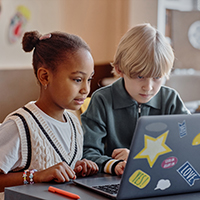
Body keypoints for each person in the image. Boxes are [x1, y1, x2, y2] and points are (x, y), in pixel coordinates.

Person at [81, 23, 190, 177]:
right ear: (120, 70)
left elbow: (188, 148)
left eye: (157, 77)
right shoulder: (102, 100)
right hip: (112, 181)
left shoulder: (170, 100)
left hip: (161, 179)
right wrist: (115, 165)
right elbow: (87, 152)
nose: (148, 87)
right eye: (140, 76)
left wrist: (136, 158)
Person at [0, 30, 98, 196]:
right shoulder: (20, 126)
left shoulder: (74, 124)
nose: (86, 89)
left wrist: (77, 169)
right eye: (77, 79)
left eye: (89, 79)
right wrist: (36, 176)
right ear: (45, 77)